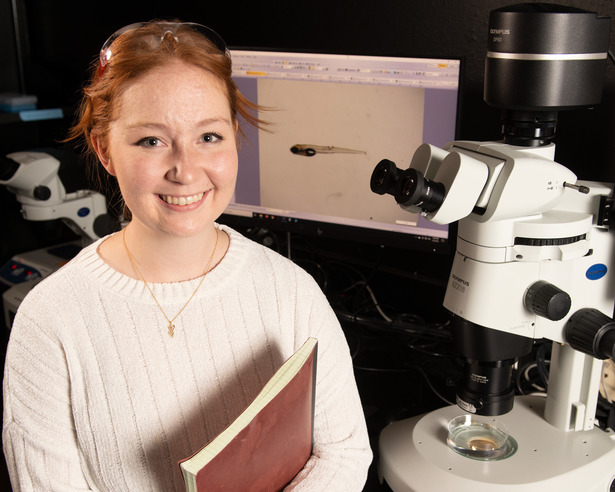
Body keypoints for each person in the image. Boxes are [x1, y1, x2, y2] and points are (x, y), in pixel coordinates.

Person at [2, 21, 372, 491]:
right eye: (150, 141)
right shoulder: (50, 319)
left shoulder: (291, 290)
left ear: (235, 138)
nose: (184, 169)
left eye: (209, 137)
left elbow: (344, 453)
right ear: (104, 150)